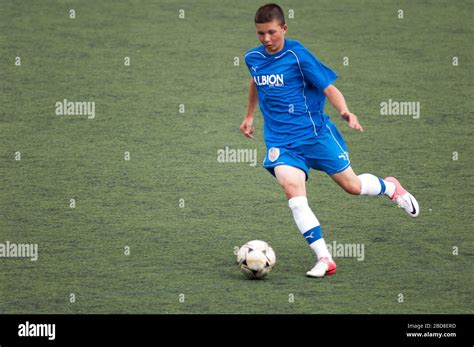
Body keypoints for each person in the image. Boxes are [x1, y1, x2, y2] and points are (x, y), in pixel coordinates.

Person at [240, 3, 419, 278]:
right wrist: (250, 115)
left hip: (316, 136)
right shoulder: (253, 58)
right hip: (281, 142)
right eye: (260, 33)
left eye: (272, 32)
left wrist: (346, 111)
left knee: (353, 186)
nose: (266, 39)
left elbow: (328, 87)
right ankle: (324, 258)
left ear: (284, 29)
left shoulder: (298, 56)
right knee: (294, 196)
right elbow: (256, 82)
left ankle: (390, 187)